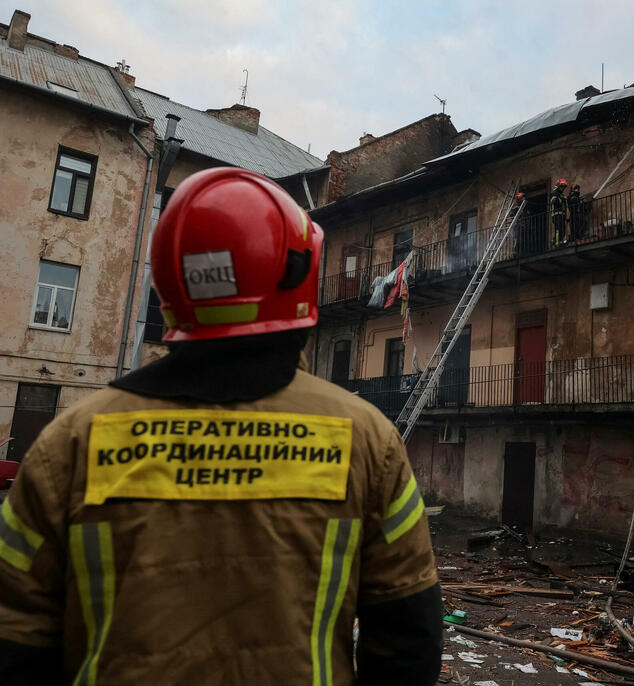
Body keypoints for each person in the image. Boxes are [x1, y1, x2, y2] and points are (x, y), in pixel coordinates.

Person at [0, 168, 443, 686]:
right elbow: (409, 639)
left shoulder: (70, 443)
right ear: (296, 270)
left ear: (170, 279)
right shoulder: (366, 440)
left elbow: (14, 641)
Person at [550, 178, 568, 246]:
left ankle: (554, 240)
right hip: (556, 214)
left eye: (563, 187)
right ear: (558, 186)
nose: (562, 188)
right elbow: (554, 201)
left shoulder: (561, 194)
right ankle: (558, 243)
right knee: (558, 229)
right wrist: (562, 199)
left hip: (562, 214)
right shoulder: (554, 193)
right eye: (561, 187)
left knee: (562, 229)